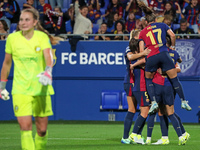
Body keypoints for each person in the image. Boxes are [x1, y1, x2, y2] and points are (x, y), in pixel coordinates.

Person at [0, 8, 62, 150]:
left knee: (42, 131)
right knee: (25, 128)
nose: (23, 22)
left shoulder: (41, 37)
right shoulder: (12, 39)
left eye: (27, 20)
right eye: (21, 19)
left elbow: (48, 56)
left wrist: (48, 71)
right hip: (20, 90)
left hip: (41, 88)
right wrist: (2, 86)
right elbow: (7, 63)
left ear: (35, 22)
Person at [137, 1, 191, 124]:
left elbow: (141, 50)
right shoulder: (162, 25)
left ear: (146, 21)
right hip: (164, 53)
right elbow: (172, 36)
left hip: (152, 56)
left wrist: (145, 54)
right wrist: (172, 47)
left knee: (148, 79)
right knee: (174, 78)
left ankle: (154, 101)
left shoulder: (143, 32)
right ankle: (183, 101)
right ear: (156, 19)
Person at [146, 36, 190, 145]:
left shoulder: (157, 54)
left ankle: (161, 138)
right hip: (170, 86)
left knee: (161, 112)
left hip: (158, 85)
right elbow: (179, 62)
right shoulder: (174, 53)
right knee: (169, 113)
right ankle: (180, 135)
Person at [121, 30, 150, 144]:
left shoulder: (141, 48)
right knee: (135, 110)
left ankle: (135, 134)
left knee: (138, 109)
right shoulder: (130, 48)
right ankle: (129, 136)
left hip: (135, 81)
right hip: (132, 81)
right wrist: (143, 54)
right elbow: (130, 57)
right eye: (140, 38)